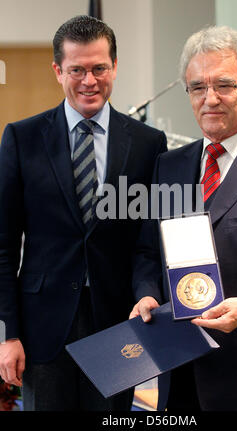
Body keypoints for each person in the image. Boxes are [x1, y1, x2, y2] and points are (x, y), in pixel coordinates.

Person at [0, 15, 167, 411]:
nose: (89, 81)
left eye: (99, 68)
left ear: (114, 68)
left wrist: (149, 296)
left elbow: (152, 238)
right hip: (41, 328)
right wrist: (7, 334)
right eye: (77, 70)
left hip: (120, 322)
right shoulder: (21, 138)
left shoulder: (148, 142)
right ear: (58, 71)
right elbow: (3, 246)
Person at [130, 26, 237, 411]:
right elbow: (146, 251)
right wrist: (146, 293)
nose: (210, 99)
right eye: (197, 87)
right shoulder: (168, 167)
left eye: (224, 85)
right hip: (177, 367)